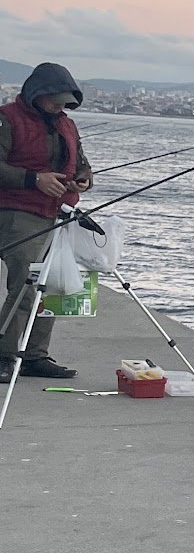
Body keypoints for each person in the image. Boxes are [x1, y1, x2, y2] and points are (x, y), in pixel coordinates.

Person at [0, 62, 93, 381]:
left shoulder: (67, 125)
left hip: (59, 214)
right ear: (35, 93)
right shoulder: (7, 118)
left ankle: (35, 355)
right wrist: (33, 179)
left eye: (64, 101)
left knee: (54, 288)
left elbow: (82, 165)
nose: (59, 106)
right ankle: (4, 354)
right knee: (25, 286)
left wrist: (82, 180)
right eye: (54, 100)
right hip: (18, 212)